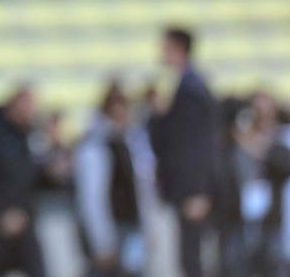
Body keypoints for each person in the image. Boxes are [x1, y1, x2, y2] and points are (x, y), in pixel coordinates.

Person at [149, 27, 222, 277]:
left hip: (192, 188)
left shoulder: (191, 89)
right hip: (187, 186)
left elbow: (197, 144)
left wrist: (197, 190)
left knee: (191, 258)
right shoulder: (184, 84)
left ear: (179, 48)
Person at [74, 84, 156, 277]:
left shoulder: (131, 140)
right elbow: (91, 197)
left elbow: (142, 186)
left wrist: (147, 226)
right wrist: (101, 241)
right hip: (112, 226)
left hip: (132, 226)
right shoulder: (95, 146)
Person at [0, 87, 47, 277]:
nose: (30, 110)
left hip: (25, 221)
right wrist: (0, 214)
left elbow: (33, 182)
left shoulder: (33, 137)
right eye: (26, 104)